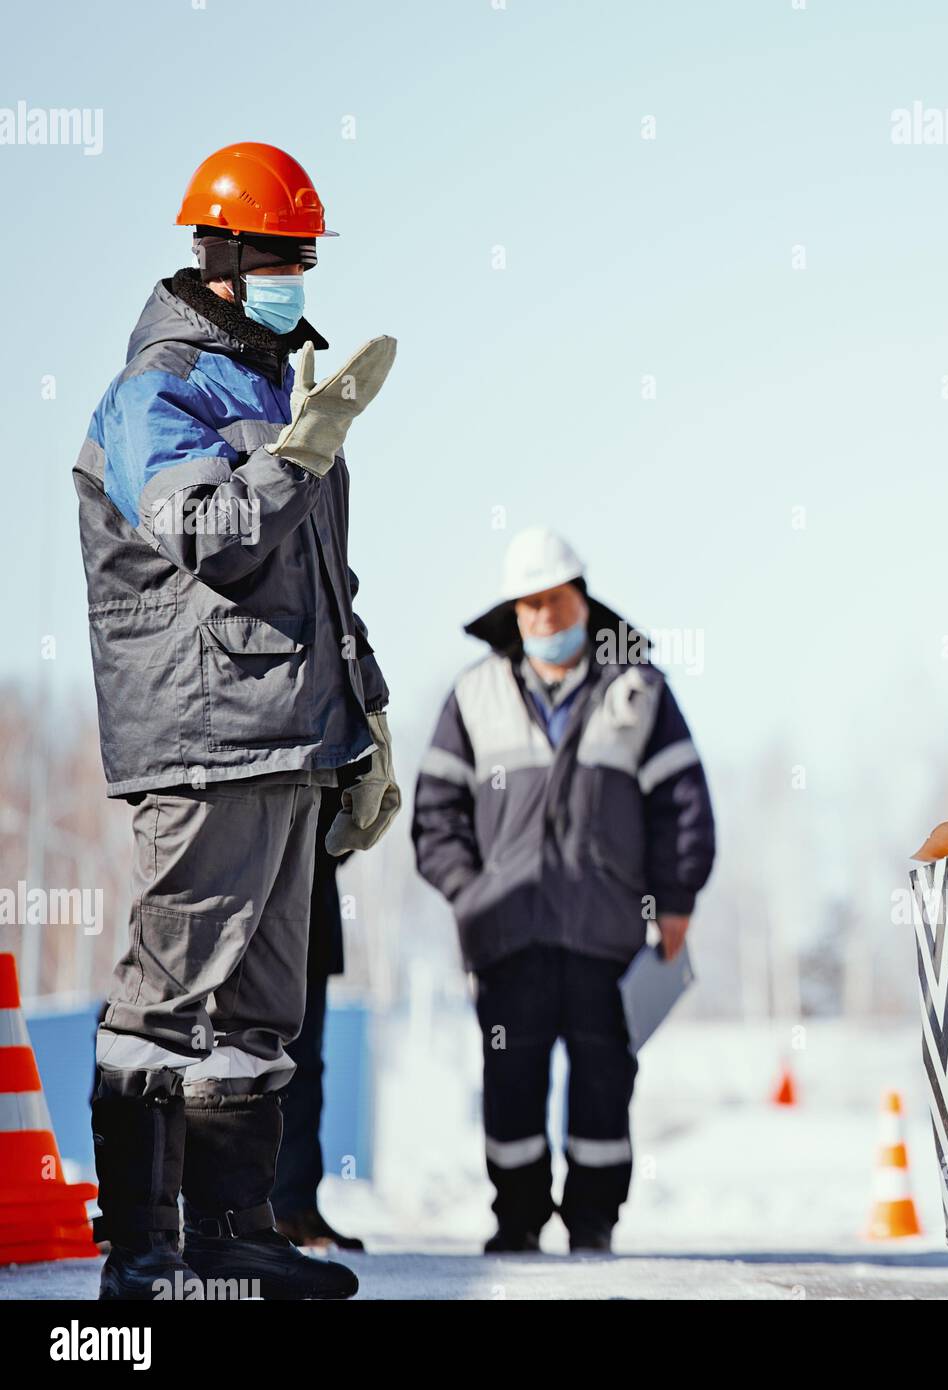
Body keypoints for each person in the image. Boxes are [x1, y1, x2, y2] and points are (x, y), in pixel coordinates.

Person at [73, 143, 400, 1300]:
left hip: (292, 741)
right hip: (202, 740)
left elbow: (322, 585)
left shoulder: (273, 390)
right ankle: (144, 1253)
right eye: (278, 255)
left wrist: (366, 721)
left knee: (260, 1012)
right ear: (215, 256)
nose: (295, 275)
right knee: (167, 999)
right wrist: (296, 459)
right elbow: (209, 532)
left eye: (304, 256)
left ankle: (233, 1239)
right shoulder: (153, 394)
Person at [412, 528, 716, 1253]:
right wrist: (470, 892)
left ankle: (593, 1222)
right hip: (505, 935)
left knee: (604, 1081)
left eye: (555, 600)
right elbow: (434, 813)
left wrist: (675, 902)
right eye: (529, 605)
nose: (544, 617)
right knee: (511, 1080)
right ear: (513, 615)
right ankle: (515, 1219)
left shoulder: (637, 689)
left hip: (605, 930)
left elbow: (684, 803)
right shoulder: (473, 693)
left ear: (582, 599)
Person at [273, 785, 365, 1251]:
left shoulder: (330, 713)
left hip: (310, 910)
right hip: (246, 903)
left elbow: (349, 823)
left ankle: (295, 1207)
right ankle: (241, 1211)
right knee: (234, 1062)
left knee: (303, 1067)